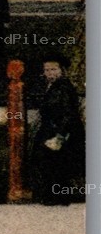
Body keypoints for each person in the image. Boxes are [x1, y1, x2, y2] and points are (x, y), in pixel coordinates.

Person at [28, 56, 82, 205]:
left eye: (53, 69)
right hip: (51, 129)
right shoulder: (53, 86)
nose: (50, 73)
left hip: (59, 131)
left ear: (61, 71)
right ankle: (53, 197)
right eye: (46, 70)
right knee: (51, 164)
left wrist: (59, 135)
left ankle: (56, 198)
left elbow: (67, 113)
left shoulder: (63, 87)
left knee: (56, 164)